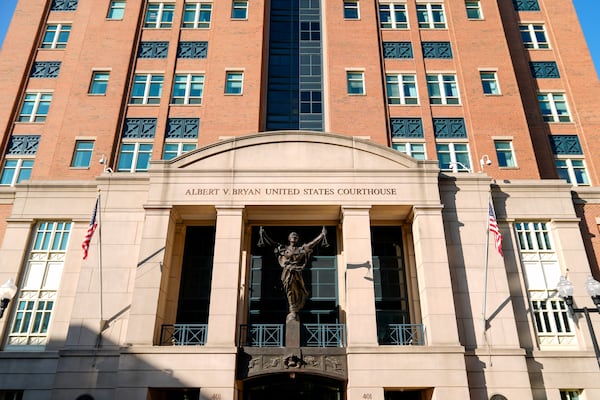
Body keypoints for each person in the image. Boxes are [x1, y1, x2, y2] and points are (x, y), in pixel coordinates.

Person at [258, 227, 328, 321]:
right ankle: (292, 309)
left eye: (296, 236)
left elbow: (312, 244)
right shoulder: (284, 249)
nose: (294, 237)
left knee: (298, 291)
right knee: (289, 290)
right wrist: (264, 235)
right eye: (292, 236)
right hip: (287, 273)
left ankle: (294, 309)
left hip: (297, 273)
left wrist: (321, 235)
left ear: (297, 239)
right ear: (289, 239)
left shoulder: (301, 249)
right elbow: (273, 244)